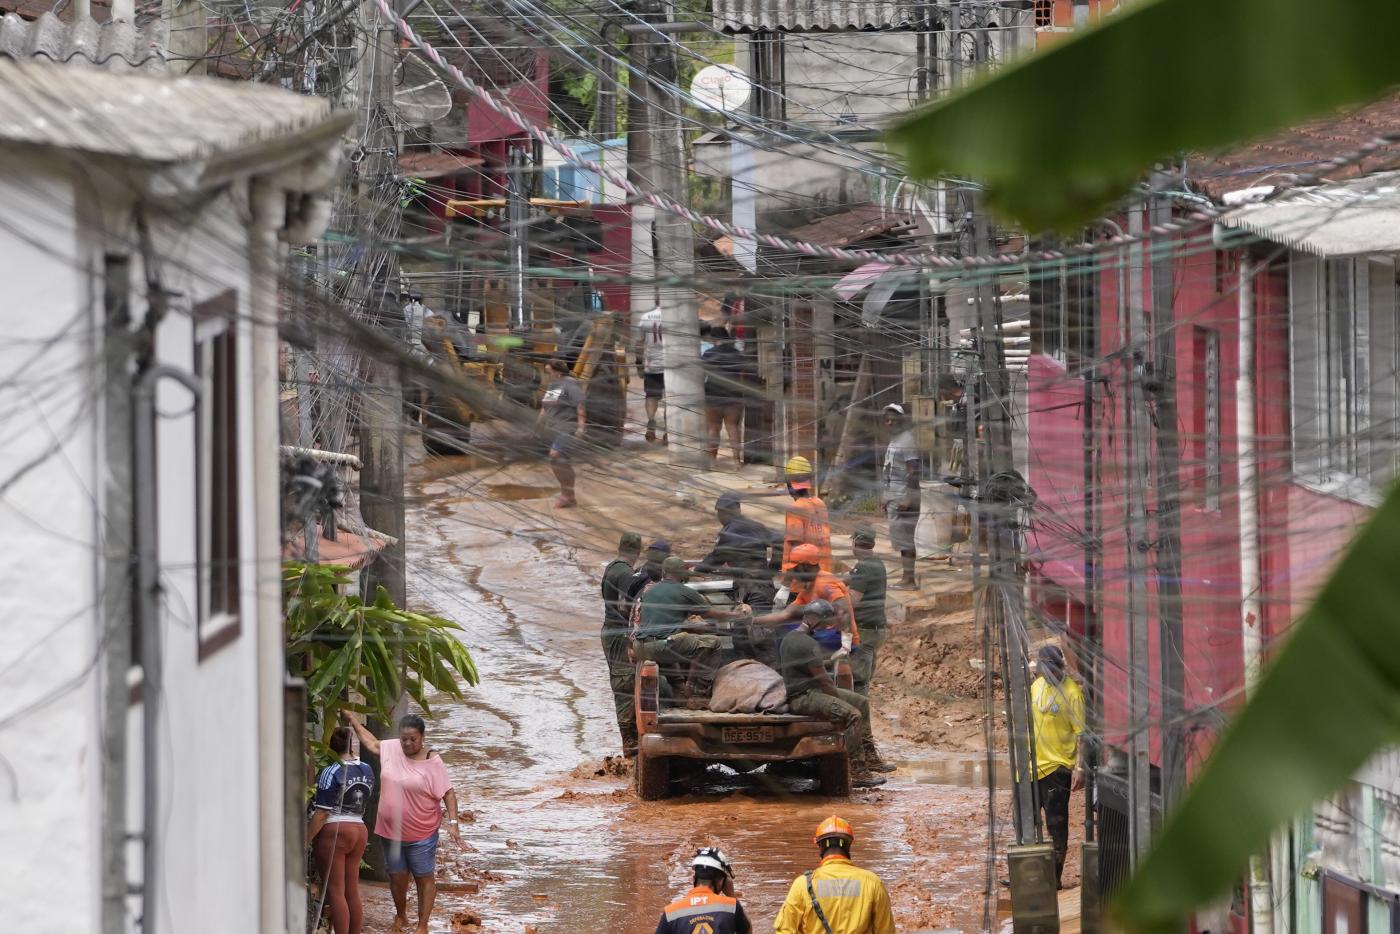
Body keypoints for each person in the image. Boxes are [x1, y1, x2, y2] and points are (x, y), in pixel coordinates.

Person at [342, 711, 462, 934]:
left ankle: (422, 925)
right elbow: (372, 743)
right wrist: (353, 721)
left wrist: (454, 823)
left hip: (422, 833)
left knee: (423, 877)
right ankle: (401, 916)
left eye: (413, 739)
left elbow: (448, 793)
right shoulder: (392, 749)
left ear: (422, 737)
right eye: (404, 738)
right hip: (391, 831)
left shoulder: (432, 761)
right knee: (397, 877)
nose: (407, 743)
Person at [774, 601, 885, 789]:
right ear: (815, 619)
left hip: (808, 690)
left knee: (861, 702)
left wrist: (828, 660)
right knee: (852, 715)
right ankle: (858, 770)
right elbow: (825, 682)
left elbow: (806, 667)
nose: (826, 628)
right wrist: (838, 700)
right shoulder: (808, 644)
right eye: (825, 623)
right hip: (805, 697)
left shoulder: (790, 638)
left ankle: (870, 757)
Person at [632, 556, 747, 693]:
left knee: (671, 643)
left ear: (664, 572)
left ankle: (679, 689)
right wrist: (736, 615)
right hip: (661, 646)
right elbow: (712, 614)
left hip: (640, 646)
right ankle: (698, 690)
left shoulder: (649, 591)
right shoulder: (685, 591)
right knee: (713, 642)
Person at [774, 817, 895, 934]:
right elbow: (885, 931)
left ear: (819, 846)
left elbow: (785, 930)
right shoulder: (872, 882)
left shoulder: (802, 885)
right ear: (849, 845)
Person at [308, 726, 375, 934]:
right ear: (352, 745)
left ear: (330, 747)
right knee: (351, 890)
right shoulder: (367, 769)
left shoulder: (331, 771)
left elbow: (321, 813)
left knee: (336, 891)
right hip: (359, 828)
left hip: (336, 830)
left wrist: (304, 839)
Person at [1030, 644, 1085, 889]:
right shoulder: (1036, 687)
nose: (1049, 674)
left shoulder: (1072, 693)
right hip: (1032, 768)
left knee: (1055, 823)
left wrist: (1080, 768)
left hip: (1058, 768)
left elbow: (1082, 733)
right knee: (1027, 822)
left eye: (1054, 669)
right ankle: (1030, 876)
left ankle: (1054, 879)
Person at [845, 526, 895, 773]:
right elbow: (851, 578)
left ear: (855, 542)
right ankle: (865, 750)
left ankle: (865, 752)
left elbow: (853, 600)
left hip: (864, 632)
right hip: (875, 631)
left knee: (858, 690)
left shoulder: (864, 567)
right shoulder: (876, 564)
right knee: (860, 686)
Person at [754, 544, 860, 658]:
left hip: (836, 636)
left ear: (805, 566)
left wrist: (845, 646)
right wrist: (752, 620)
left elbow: (843, 612)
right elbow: (786, 615)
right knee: (784, 630)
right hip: (824, 633)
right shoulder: (809, 587)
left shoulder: (825, 583)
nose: (793, 572)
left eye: (795, 568)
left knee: (796, 644)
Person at [695, 493, 779, 614]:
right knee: (750, 624)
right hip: (759, 586)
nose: (720, 517)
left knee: (755, 626)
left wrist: (697, 570)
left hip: (751, 589)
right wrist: (771, 570)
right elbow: (780, 544)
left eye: (721, 513)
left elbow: (716, 557)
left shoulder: (729, 533)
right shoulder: (757, 527)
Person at [602, 531, 643, 755]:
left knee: (623, 683)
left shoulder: (612, 567)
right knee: (625, 685)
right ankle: (629, 743)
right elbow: (627, 606)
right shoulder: (626, 573)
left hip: (610, 630)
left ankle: (630, 740)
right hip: (619, 633)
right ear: (638, 551)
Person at [654, 848, 752, 934]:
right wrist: (731, 895)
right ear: (722, 881)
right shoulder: (732, 907)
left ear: (694, 879)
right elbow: (747, 931)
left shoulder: (671, 912)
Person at [881, 403, 922, 589]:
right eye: (887, 420)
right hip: (894, 495)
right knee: (900, 539)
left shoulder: (906, 440)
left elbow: (914, 471)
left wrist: (908, 497)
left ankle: (909, 580)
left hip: (903, 497)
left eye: (893, 419)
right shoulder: (895, 440)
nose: (889, 422)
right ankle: (907, 578)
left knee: (905, 539)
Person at [539, 356, 586, 508]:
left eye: (549, 372)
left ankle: (568, 495)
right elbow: (546, 407)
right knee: (557, 460)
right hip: (555, 427)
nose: (547, 375)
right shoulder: (554, 385)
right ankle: (568, 495)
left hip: (568, 426)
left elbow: (580, 405)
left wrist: (581, 426)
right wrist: (537, 424)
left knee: (556, 455)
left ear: (558, 372)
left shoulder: (570, 384)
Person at [701, 327, 747, 468]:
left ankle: (712, 462)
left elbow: (702, 375)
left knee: (713, 428)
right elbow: (742, 376)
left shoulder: (708, 354)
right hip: (733, 394)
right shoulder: (737, 354)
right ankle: (736, 461)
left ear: (714, 338)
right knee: (733, 427)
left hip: (712, 395)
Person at [782, 456, 832, 572]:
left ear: (789, 483)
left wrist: (786, 585)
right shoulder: (820, 504)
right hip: (823, 572)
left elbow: (797, 550)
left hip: (803, 578)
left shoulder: (796, 508)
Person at [634, 305, 666, 443]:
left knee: (651, 396)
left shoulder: (645, 317)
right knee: (671, 398)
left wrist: (638, 363)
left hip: (651, 363)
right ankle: (668, 432)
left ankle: (651, 424)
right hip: (671, 365)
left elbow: (639, 343)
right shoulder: (674, 317)